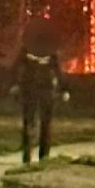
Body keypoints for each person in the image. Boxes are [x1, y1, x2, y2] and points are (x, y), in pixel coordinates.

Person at [11, 17, 68, 163]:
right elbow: (58, 73)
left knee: (33, 124)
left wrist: (15, 85)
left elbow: (16, 69)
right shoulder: (44, 54)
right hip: (38, 90)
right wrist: (63, 90)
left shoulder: (29, 52)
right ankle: (40, 156)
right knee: (42, 125)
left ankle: (31, 155)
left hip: (33, 90)